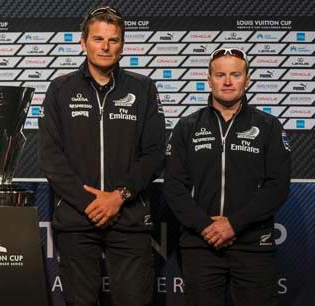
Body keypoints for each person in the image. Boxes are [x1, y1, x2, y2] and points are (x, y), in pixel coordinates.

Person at [38, 6, 166, 306]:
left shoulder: (144, 88)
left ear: (122, 45)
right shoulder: (60, 89)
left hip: (129, 216)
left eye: (113, 40)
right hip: (77, 218)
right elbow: (49, 156)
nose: (105, 47)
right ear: (83, 43)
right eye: (98, 39)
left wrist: (118, 196)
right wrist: (91, 203)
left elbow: (155, 153)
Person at [164, 48, 291, 306]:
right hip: (200, 244)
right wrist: (206, 226)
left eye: (236, 74)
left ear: (248, 79)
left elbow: (278, 186)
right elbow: (174, 186)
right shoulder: (187, 127)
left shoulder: (269, 126)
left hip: (253, 244)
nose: (228, 81)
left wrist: (233, 223)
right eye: (220, 74)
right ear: (209, 79)